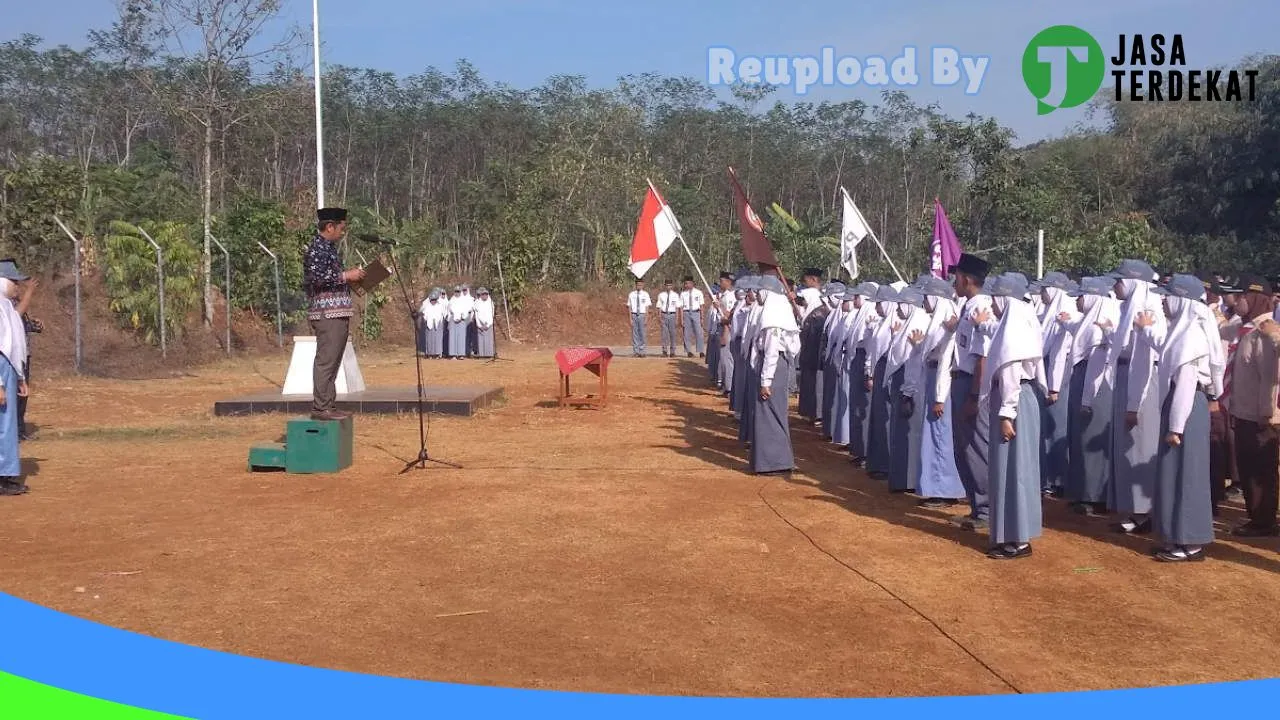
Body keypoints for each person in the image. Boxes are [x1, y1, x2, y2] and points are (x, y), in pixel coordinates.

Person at [1144, 274, 1218, 561]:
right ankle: (1175, 536)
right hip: (1181, 406)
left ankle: (1191, 542)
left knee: (1187, 474)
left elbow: (1187, 383)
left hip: (1186, 409)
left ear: (1182, 300)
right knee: (1174, 472)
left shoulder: (1191, 336)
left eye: (1167, 295)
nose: (1162, 300)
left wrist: (1176, 426)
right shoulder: (1181, 330)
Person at [982, 272, 1046, 560]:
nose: (991, 304)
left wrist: (1006, 414)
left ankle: (1017, 539)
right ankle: (1013, 533)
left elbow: (1010, 374)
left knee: (1014, 470)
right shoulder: (1017, 322)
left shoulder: (1013, 330)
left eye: (994, 298)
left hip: (1014, 402)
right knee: (1015, 470)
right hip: (1021, 401)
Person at [1106, 259, 1165, 535]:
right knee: (1127, 446)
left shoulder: (1146, 308)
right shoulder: (1128, 307)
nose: (1115, 286)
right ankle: (1132, 508)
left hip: (1142, 382)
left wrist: (1135, 403)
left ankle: (1145, 512)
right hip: (1126, 377)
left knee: (1140, 443)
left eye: (1119, 280)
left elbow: (1144, 358)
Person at [1224, 275, 1280, 537]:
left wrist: (1265, 413)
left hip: (1259, 416)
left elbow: (1270, 379)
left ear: (1256, 298)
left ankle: (1263, 521)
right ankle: (1256, 516)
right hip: (1243, 411)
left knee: (1260, 470)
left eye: (1244, 296)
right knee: (1247, 466)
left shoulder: (1266, 332)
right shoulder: (1244, 328)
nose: (1239, 301)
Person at [906, 277, 965, 508]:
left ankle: (945, 489)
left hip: (942, 384)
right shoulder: (939, 322)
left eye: (926, 297)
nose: (923, 301)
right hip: (933, 380)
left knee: (940, 433)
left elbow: (944, 362)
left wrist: (939, 397)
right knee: (936, 433)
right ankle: (939, 486)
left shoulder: (946, 324)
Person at [949, 253, 997, 530]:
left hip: (972, 383)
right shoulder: (969, 307)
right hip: (962, 379)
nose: (953, 282)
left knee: (976, 447)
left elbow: (982, 356)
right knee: (964, 448)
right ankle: (978, 506)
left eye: (956, 276)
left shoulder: (981, 309)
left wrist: (973, 397)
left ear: (966, 279)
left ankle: (986, 510)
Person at [302, 207, 364, 421]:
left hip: (337, 312)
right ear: (330, 226)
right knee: (326, 360)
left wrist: (353, 277)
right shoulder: (316, 249)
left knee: (334, 360)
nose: (342, 232)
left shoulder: (328, 248)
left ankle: (328, 403)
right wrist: (347, 275)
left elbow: (332, 276)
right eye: (341, 228)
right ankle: (320, 407)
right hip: (326, 313)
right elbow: (317, 278)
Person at [1066, 277, 1120, 516]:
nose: (1077, 300)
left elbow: (1099, 362)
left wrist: (1088, 397)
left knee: (1091, 437)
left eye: (1081, 295)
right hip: (1083, 378)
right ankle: (1082, 491)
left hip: (1096, 384)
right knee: (1079, 436)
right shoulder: (1087, 321)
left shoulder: (1100, 322)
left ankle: (1096, 496)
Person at [750, 274, 799, 475]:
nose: (756, 295)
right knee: (770, 412)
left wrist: (765, 381)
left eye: (759, 291)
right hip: (775, 365)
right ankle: (770, 459)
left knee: (770, 412)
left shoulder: (772, 320)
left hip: (773, 367)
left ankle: (775, 461)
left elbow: (771, 352)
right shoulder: (774, 314)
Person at [1038, 272, 1078, 497]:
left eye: (1045, 288)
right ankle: (1051, 478)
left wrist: (1053, 386)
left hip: (1058, 376)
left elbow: (1059, 353)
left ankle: (1058, 479)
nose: (1042, 293)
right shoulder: (1050, 312)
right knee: (1049, 428)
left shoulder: (1063, 313)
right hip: (1050, 372)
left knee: (1056, 427)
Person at [887, 286, 930, 493]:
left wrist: (908, 391)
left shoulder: (919, 323)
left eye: (900, 304)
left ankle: (909, 479)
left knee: (911, 433)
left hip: (913, 385)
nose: (897, 309)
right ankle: (901, 477)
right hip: (906, 382)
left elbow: (913, 361)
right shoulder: (908, 323)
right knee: (902, 431)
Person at [864, 285, 900, 479]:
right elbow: (873, 348)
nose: (877, 307)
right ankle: (877, 462)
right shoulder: (881, 322)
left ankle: (886, 464)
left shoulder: (896, 322)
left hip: (888, 370)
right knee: (878, 416)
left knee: (885, 416)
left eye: (879, 303)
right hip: (879, 368)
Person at [0, 273, 29, 496]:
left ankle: (6, 474)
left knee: (7, 423)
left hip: (9, 367)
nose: (17, 286)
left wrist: (19, 376)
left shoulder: (7, 306)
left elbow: (15, 342)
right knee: (3, 423)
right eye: (14, 282)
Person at [847, 282, 881, 466]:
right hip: (857, 359)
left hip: (865, 361)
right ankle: (859, 450)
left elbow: (870, 346)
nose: (854, 299)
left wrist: (869, 371)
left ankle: (866, 453)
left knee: (864, 408)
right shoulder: (859, 313)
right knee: (857, 405)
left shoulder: (871, 313)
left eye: (857, 296)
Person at [797, 283, 833, 423]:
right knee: (808, 385)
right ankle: (810, 413)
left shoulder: (818, 314)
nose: (803, 302)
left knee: (816, 386)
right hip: (809, 354)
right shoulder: (813, 312)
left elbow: (816, 337)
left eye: (804, 299)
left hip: (814, 355)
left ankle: (817, 414)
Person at [821, 284, 850, 440]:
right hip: (832, 356)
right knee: (830, 394)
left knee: (837, 395)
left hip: (840, 358)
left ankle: (835, 431)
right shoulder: (834, 314)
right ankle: (829, 428)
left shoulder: (845, 316)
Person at [715, 272, 738, 392]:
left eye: (722, 281)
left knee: (727, 359)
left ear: (728, 282)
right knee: (723, 359)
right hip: (722, 326)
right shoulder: (724, 295)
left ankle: (729, 387)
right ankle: (726, 384)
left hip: (727, 328)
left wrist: (720, 306)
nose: (720, 283)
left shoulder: (730, 296)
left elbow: (728, 316)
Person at [679, 277, 706, 358]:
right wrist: (681, 319)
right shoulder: (683, 294)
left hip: (696, 312)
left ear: (692, 283)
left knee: (699, 332)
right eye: (685, 283)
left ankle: (701, 351)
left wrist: (702, 317)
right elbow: (681, 307)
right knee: (686, 333)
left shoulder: (698, 292)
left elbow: (701, 305)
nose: (686, 285)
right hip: (686, 313)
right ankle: (688, 351)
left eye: (688, 283)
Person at [627, 279, 652, 358]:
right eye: (638, 285)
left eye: (640, 285)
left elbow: (647, 307)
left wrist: (646, 318)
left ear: (643, 285)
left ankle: (642, 351)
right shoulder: (631, 294)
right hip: (634, 315)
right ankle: (636, 351)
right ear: (635, 285)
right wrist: (630, 318)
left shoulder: (645, 294)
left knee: (642, 333)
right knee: (635, 334)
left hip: (642, 315)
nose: (639, 286)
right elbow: (629, 307)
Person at [419, 289, 446, 358]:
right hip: (429, 324)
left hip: (438, 324)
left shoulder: (440, 306)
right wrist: (426, 320)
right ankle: (430, 354)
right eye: (432, 300)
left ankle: (438, 354)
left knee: (438, 339)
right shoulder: (427, 306)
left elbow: (443, 314)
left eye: (434, 300)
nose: (433, 301)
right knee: (429, 339)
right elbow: (424, 315)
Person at [656, 280, 680, 357]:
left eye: (670, 285)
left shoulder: (675, 295)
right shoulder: (661, 295)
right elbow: (659, 306)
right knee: (664, 334)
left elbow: (677, 307)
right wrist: (659, 316)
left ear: (672, 286)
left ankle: (672, 352)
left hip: (672, 315)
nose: (668, 287)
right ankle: (664, 351)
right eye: (667, 285)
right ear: (665, 286)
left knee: (672, 334)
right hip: (664, 314)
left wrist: (677, 318)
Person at [446, 286, 470, 359]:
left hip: (461, 320)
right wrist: (450, 319)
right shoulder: (451, 300)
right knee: (453, 337)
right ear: (454, 292)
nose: (457, 293)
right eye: (456, 291)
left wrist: (462, 317)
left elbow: (466, 311)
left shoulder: (464, 301)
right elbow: (448, 311)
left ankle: (461, 354)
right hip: (453, 320)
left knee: (461, 337)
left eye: (458, 291)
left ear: (461, 292)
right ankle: (453, 354)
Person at [473, 288, 496, 358]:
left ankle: (489, 354)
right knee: (481, 340)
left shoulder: (491, 303)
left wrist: (488, 324)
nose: (484, 296)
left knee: (489, 340)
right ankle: (482, 355)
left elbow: (492, 315)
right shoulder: (477, 303)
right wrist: (479, 325)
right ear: (481, 295)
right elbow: (476, 316)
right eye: (483, 294)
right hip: (480, 325)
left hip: (489, 324)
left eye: (486, 294)